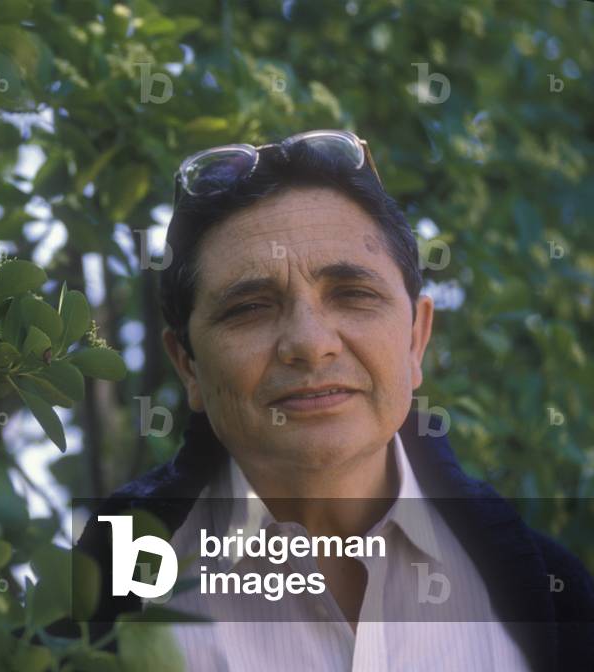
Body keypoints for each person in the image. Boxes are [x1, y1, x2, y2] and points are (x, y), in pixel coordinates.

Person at [72, 130, 594, 671]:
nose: (310, 343)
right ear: (189, 366)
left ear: (416, 338)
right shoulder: (107, 586)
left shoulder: (558, 599)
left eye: (353, 295)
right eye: (250, 307)